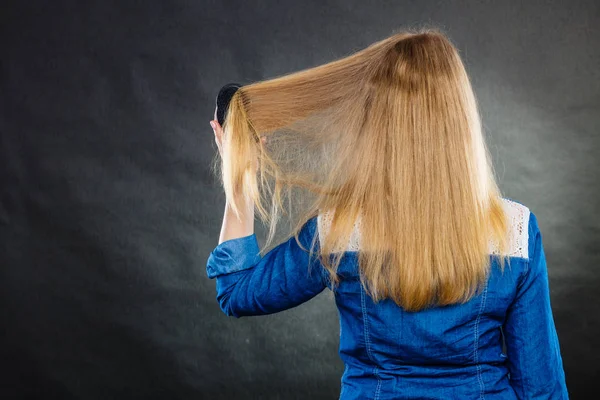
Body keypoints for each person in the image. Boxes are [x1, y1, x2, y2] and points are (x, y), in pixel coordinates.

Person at [206, 27, 569, 399]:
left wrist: (239, 175)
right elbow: (541, 388)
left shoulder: (340, 230)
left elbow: (236, 291)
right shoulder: (515, 231)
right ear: (461, 120)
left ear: (377, 124)